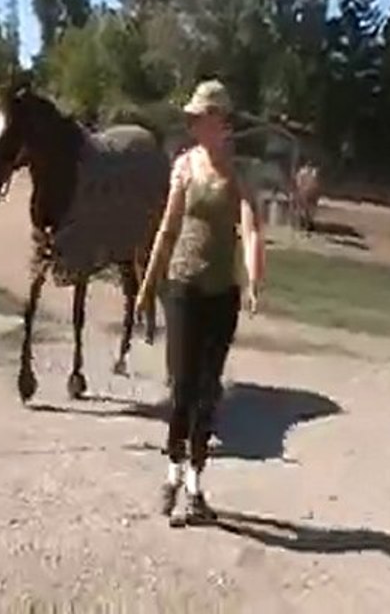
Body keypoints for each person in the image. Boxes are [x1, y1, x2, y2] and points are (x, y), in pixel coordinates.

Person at [135, 79, 266, 526]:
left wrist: (253, 278)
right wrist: (147, 286)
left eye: (202, 118)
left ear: (221, 122)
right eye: (192, 119)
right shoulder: (185, 166)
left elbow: (251, 227)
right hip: (183, 287)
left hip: (221, 294)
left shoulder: (239, 172)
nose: (194, 125)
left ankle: (194, 484)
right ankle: (172, 472)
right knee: (182, 387)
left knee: (209, 391)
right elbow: (168, 228)